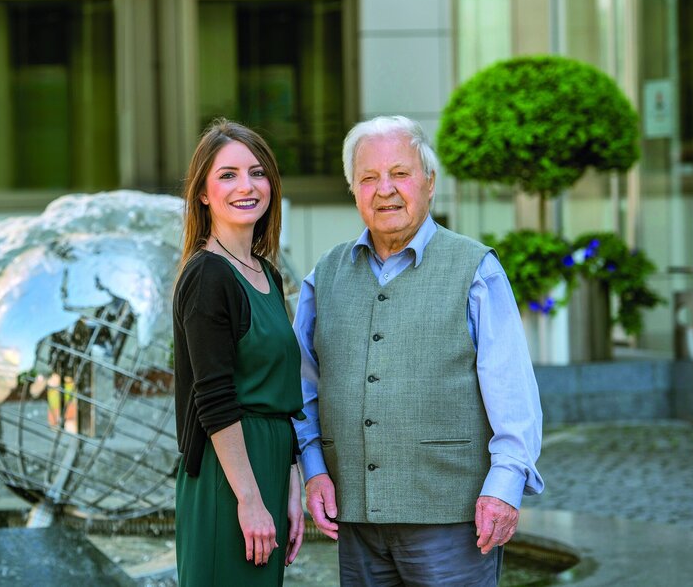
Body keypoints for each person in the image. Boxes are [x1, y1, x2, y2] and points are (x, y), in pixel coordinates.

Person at [293, 115, 544, 586]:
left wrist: (504, 487)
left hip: (454, 519)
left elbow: (512, 390)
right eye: (369, 178)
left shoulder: (476, 269)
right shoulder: (324, 275)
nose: (384, 190)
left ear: (430, 182)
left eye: (399, 174)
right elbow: (301, 387)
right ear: (353, 190)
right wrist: (313, 469)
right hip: (355, 519)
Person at [173, 118, 305, 585]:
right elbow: (213, 399)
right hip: (226, 475)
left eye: (257, 172)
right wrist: (248, 499)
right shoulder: (207, 276)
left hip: (269, 465)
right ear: (203, 194)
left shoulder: (267, 274)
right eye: (227, 175)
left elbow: (282, 395)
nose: (246, 186)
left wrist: (291, 482)